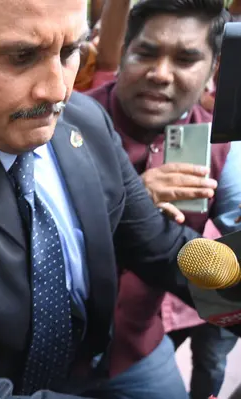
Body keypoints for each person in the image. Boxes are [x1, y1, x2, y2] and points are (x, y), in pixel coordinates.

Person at [0, 0, 240, 398]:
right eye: (21, 56)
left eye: (70, 52)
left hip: (111, 359)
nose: (57, 90)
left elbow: (160, 247)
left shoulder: (86, 121)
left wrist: (234, 289)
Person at [87, 1, 239, 397]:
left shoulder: (222, 148)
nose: (160, 74)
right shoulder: (72, 121)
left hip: (139, 349)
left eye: (186, 59)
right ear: (123, 54)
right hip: (48, 349)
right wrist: (130, 202)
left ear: (211, 72)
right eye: (146, 53)